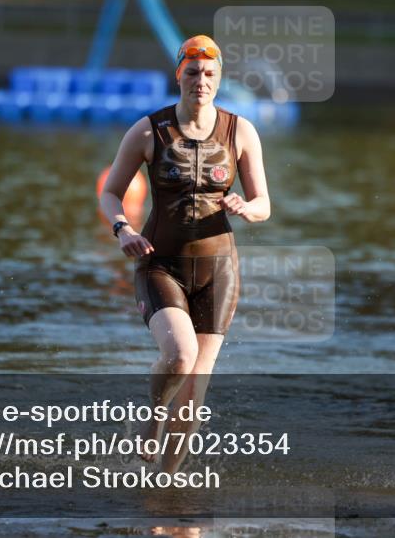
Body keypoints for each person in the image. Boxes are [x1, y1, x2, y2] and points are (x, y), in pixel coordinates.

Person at [99, 35, 270, 474]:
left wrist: (246, 207)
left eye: (210, 74)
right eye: (192, 72)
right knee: (179, 355)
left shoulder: (240, 131)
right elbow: (111, 193)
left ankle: (166, 484)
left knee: (196, 385)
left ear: (220, 79)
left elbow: (264, 204)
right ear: (179, 76)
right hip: (161, 264)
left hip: (218, 271)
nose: (201, 81)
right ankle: (154, 414)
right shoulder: (148, 130)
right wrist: (122, 229)